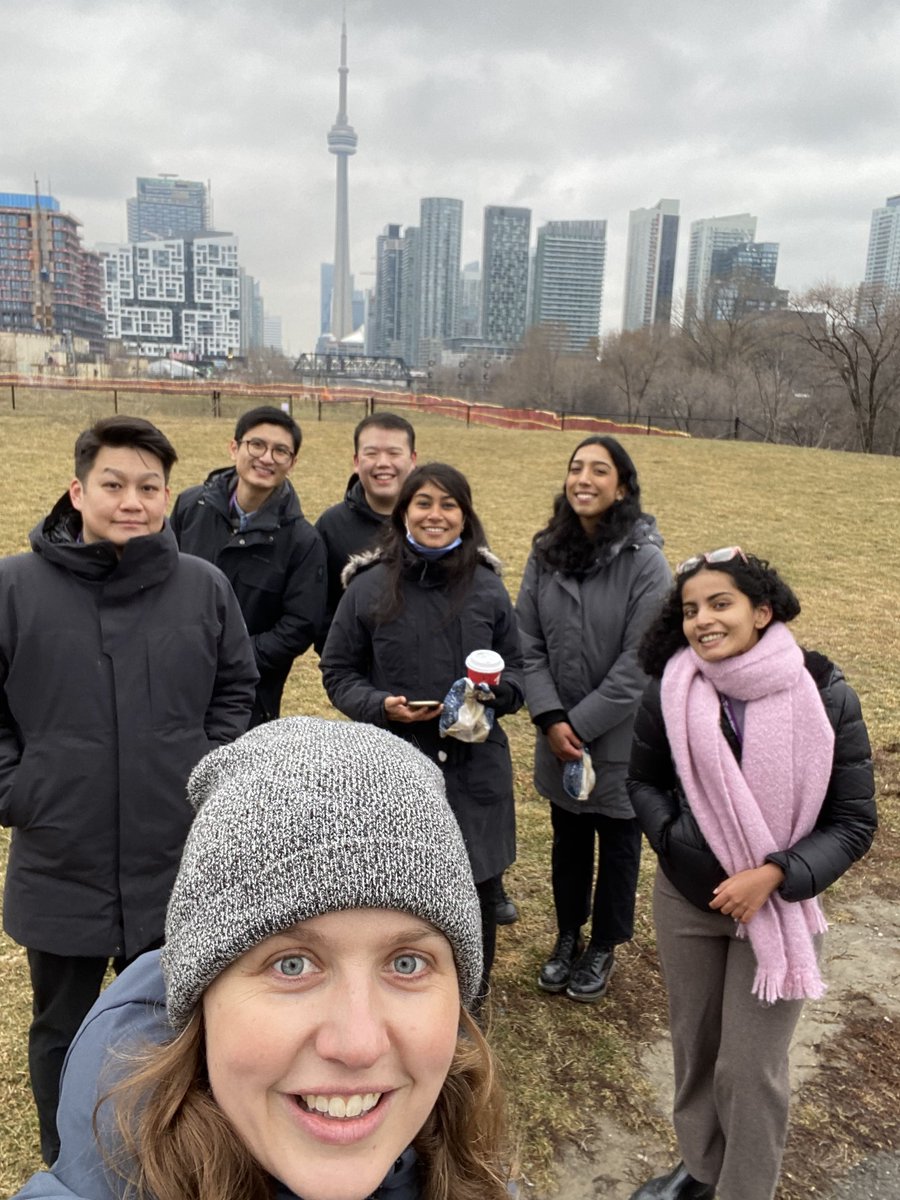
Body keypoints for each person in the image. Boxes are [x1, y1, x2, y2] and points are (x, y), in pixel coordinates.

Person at [13, 717, 512, 1200]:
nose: (358, 1045)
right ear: (202, 996)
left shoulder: (477, 1171)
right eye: (291, 964)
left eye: (407, 963)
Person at [0, 415, 258, 1165]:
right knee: (62, 1029)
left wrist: (205, 767)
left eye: (149, 487)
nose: (131, 501)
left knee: (178, 1024)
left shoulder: (202, 587)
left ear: (168, 496)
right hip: (60, 859)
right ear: (78, 491)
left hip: (173, 857)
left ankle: (178, 1156)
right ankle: (70, 1159)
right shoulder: (14, 587)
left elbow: (235, 686)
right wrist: (20, 789)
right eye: (113, 485)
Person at [627, 548, 876, 1200]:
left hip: (779, 909)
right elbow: (644, 784)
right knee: (695, 1049)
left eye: (720, 603)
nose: (702, 620)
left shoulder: (823, 694)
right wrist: (682, 847)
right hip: (686, 901)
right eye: (690, 609)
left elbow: (853, 822)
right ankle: (702, 1170)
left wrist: (773, 874)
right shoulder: (672, 690)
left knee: (749, 1068)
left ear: (762, 611)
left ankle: (744, 1189)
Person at [319, 462, 524, 1001]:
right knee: (401, 900)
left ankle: (469, 1014)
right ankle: (407, 1004)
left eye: (449, 504)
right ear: (404, 511)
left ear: (465, 515)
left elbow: (521, 673)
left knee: (475, 897)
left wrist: (495, 695)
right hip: (395, 767)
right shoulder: (367, 587)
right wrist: (380, 706)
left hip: (475, 769)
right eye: (424, 503)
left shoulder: (487, 588)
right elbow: (338, 672)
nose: (436, 515)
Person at [516, 435, 671, 1002]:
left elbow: (641, 661)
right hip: (556, 729)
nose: (584, 478)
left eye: (599, 470)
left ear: (621, 485)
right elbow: (526, 643)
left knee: (620, 841)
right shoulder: (545, 552)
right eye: (576, 467)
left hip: (622, 737)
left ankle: (604, 943)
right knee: (569, 837)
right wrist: (551, 717)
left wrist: (578, 724)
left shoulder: (646, 561)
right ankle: (566, 935)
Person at [171, 404, 326, 725]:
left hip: (249, 695)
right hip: (175, 677)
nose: (267, 458)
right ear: (234, 447)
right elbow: (163, 577)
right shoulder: (191, 506)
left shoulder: (302, 541)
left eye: (280, 451)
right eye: (257, 445)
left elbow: (299, 626)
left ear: (292, 463)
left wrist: (235, 656)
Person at [315, 411, 417, 636]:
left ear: (413, 460)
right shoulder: (331, 526)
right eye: (371, 453)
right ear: (356, 461)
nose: (383, 463)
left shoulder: (438, 523)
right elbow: (319, 609)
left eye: (394, 453)